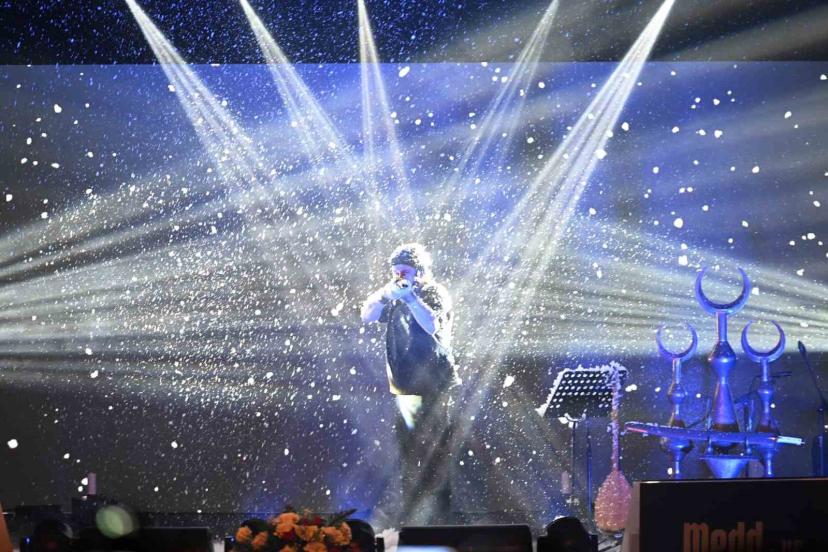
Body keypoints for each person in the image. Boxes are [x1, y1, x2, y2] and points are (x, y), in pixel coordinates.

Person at [361, 243, 460, 525]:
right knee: (409, 455)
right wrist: (385, 294)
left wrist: (411, 298)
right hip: (405, 388)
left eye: (404, 271)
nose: (399, 277)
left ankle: (440, 521)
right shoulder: (395, 295)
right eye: (395, 272)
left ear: (420, 271)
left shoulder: (434, 293)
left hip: (435, 386)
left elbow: (432, 326)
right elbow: (367, 315)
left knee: (435, 455)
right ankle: (413, 519)